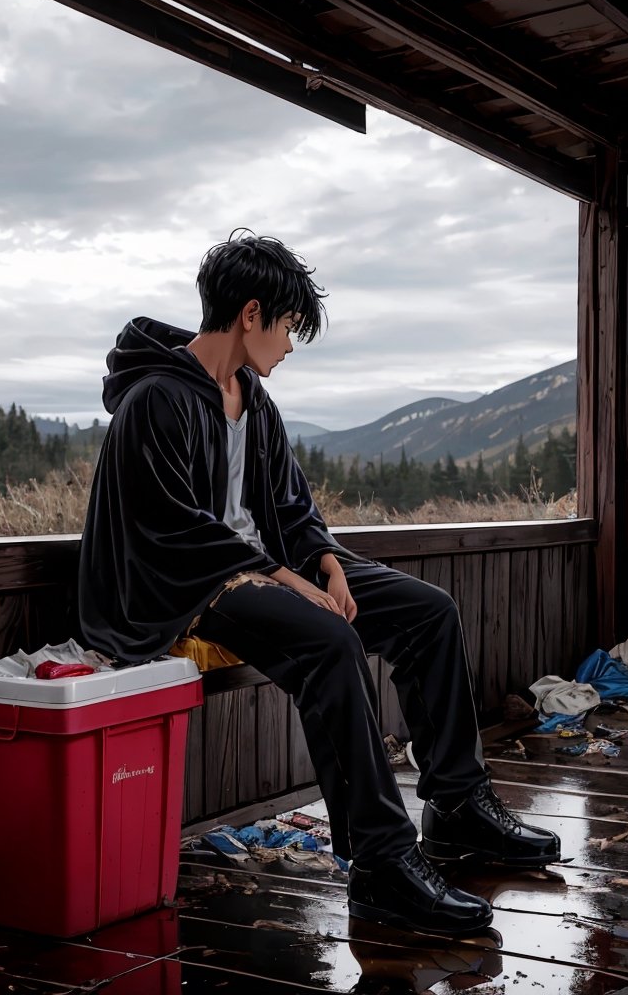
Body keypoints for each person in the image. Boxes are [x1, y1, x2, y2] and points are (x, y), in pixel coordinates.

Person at [77, 230, 559, 935]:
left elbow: (293, 506)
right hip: (185, 589)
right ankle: (381, 864)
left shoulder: (253, 400)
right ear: (250, 315)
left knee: (429, 611)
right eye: (287, 326)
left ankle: (457, 804)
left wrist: (325, 563)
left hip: (264, 572)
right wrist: (284, 580)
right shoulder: (158, 398)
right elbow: (169, 529)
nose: (290, 345)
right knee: (330, 640)